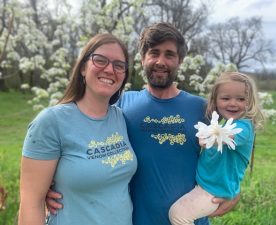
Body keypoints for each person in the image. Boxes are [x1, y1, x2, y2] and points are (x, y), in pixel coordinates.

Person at [46, 22, 240, 225]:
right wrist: (51, 185)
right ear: (142, 59)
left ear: (180, 61)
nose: (160, 61)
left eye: (169, 54)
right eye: (153, 53)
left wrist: (234, 190)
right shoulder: (120, 107)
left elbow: (233, 153)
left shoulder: (203, 109)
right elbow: (79, 144)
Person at [18, 33, 137, 225]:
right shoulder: (51, 122)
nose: (109, 69)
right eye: (100, 60)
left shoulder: (120, 118)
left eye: (119, 65)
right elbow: (31, 203)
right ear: (83, 67)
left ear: (124, 75)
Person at [168, 71, 264, 225]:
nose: (233, 103)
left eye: (241, 99)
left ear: (250, 102)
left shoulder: (244, 127)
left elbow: (226, 136)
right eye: (226, 98)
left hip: (213, 191)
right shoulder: (224, 124)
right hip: (207, 185)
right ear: (216, 100)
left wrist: (208, 136)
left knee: (178, 214)